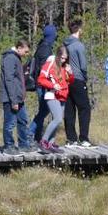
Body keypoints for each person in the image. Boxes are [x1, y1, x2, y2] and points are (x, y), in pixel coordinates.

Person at [37, 45, 73, 153]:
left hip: (62, 96)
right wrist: (52, 86)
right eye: (62, 58)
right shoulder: (49, 64)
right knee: (58, 118)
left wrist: (70, 73)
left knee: (57, 121)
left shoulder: (64, 67)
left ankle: (51, 143)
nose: (63, 60)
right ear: (57, 55)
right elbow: (40, 79)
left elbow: (68, 82)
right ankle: (43, 141)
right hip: (52, 95)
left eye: (65, 58)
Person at [0, 39, 33, 155]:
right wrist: (13, 100)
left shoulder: (16, 58)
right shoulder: (10, 58)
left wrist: (22, 95)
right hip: (10, 98)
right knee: (10, 123)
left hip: (18, 97)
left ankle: (23, 144)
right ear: (19, 48)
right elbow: (9, 80)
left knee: (22, 120)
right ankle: (9, 146)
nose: (26, 54)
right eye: (26, 51)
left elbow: (18, 79)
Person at [63, 18, 92, 148]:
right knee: (85, 108)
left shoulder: (65, 44)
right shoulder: (78, 45)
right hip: (78, 79)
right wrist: (85, 77)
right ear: (79, 29)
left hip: (67, 80)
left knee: (69, 109)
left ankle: (71, 139)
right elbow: (83, 65)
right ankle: (84, 138)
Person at [29, 24, 58, 140]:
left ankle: (37, 137)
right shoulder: (45, 48)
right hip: (43, 85)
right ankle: (29, 133)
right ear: (52, 36)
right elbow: (44, 69)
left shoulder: (43, 46)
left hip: (42, 84)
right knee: (44, 110)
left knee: (43, 110)